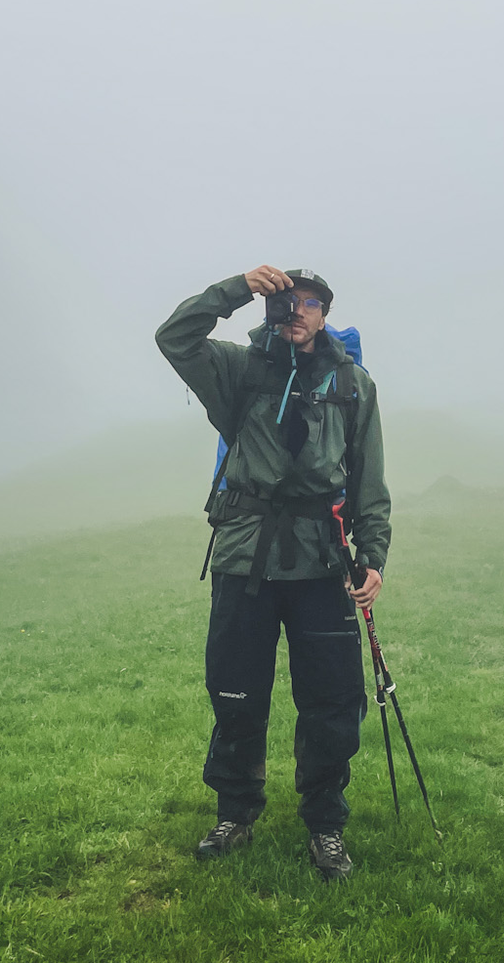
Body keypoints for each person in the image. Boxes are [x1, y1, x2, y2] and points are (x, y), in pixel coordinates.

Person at [156, 265, 391, 880]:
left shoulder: (353, 384)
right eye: (288, 300)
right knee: (235, 691)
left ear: (325, 314)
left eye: (310, 303)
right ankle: (235, 813)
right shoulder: (238, 370)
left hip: (323, 561)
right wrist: (237, 287)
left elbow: (368, 478)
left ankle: (326, 825)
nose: (298, 311)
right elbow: (174, 336)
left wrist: (373, 555)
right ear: (270, 307)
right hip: (245, 556)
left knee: (332, 700)